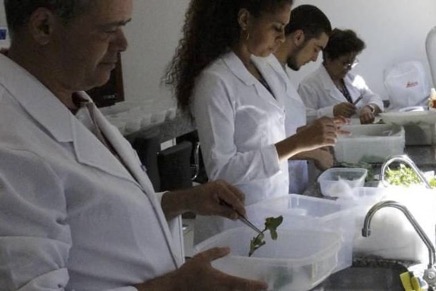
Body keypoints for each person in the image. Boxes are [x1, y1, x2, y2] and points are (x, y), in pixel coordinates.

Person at [0, 0, 269, 290]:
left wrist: (184, 200)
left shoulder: (71, 98)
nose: (124, 43)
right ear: (44, 27)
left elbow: (97, 217)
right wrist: (176, 286)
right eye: (109, 29)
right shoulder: (12, 148)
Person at [165, 0, 344, 243]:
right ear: (245, 20)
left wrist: (310, 135)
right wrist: (296, 144)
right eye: (276, 27)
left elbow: (266, 133)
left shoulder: (263, 68)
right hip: (235, 220)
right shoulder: (215, 81)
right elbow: (222, 168)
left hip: (270, 209)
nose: (282, 37)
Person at [252, 4, 335, 194]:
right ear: (298, 37)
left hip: (289, 186)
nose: (315, 59)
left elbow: (284, 129)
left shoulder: (278, 72)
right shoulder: (262, 74)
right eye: (316, 49)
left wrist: (316, 136)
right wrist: (313, 152)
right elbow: (260, 144)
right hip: (269, 189)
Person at [298, 28, 384, 124]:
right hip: (332, 138)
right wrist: (332, 111)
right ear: (328, 58)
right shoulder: (309, 85)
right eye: (345, 63)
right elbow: (303, 118)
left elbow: (375, 98)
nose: (349, 68)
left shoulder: (354, 80)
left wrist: (369, 108)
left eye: (352, 63)